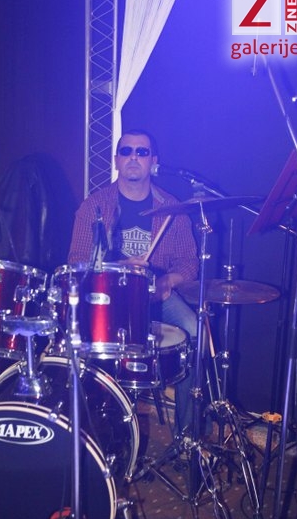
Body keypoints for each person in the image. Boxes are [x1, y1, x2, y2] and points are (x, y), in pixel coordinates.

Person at [68, 128, 200, 435]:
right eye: (126, 151)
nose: (133, 158)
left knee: (194, 331)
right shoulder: (94, 206)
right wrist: (118, 267)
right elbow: (76, 260)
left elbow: (189, 263)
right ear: (116, 159)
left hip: (156, 294)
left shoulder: (172, 208)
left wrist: (168, 281)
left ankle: (187, 437)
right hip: (109, 298)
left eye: (142, 152)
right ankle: (95, 429)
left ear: (153, 161)